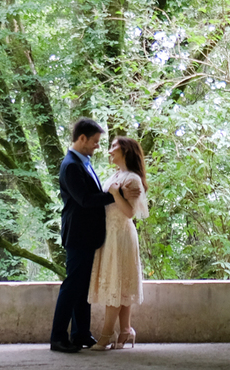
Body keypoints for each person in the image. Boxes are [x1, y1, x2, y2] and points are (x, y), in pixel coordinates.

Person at [49, 118, 117, 353]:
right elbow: (85, 200)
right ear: (82, 139)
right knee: (72, 286)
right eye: (95, 142)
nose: (97, 146)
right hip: (78, 234)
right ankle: (58, 337)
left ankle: (80, 334)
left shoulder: (83, 162)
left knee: (81, 287)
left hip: (87, 235)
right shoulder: (71, 166)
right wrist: (115, 196)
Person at [87, 136, 148, 351]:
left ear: (126, 150)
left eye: (114, 146)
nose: (110, 150)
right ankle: (125, 330)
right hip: (110, 234)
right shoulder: (116, 175)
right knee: (119, 283)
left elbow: (130, 212)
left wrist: (115, 193)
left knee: (116, 283)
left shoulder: (132, 179)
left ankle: (106, 335)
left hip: (121, 234)